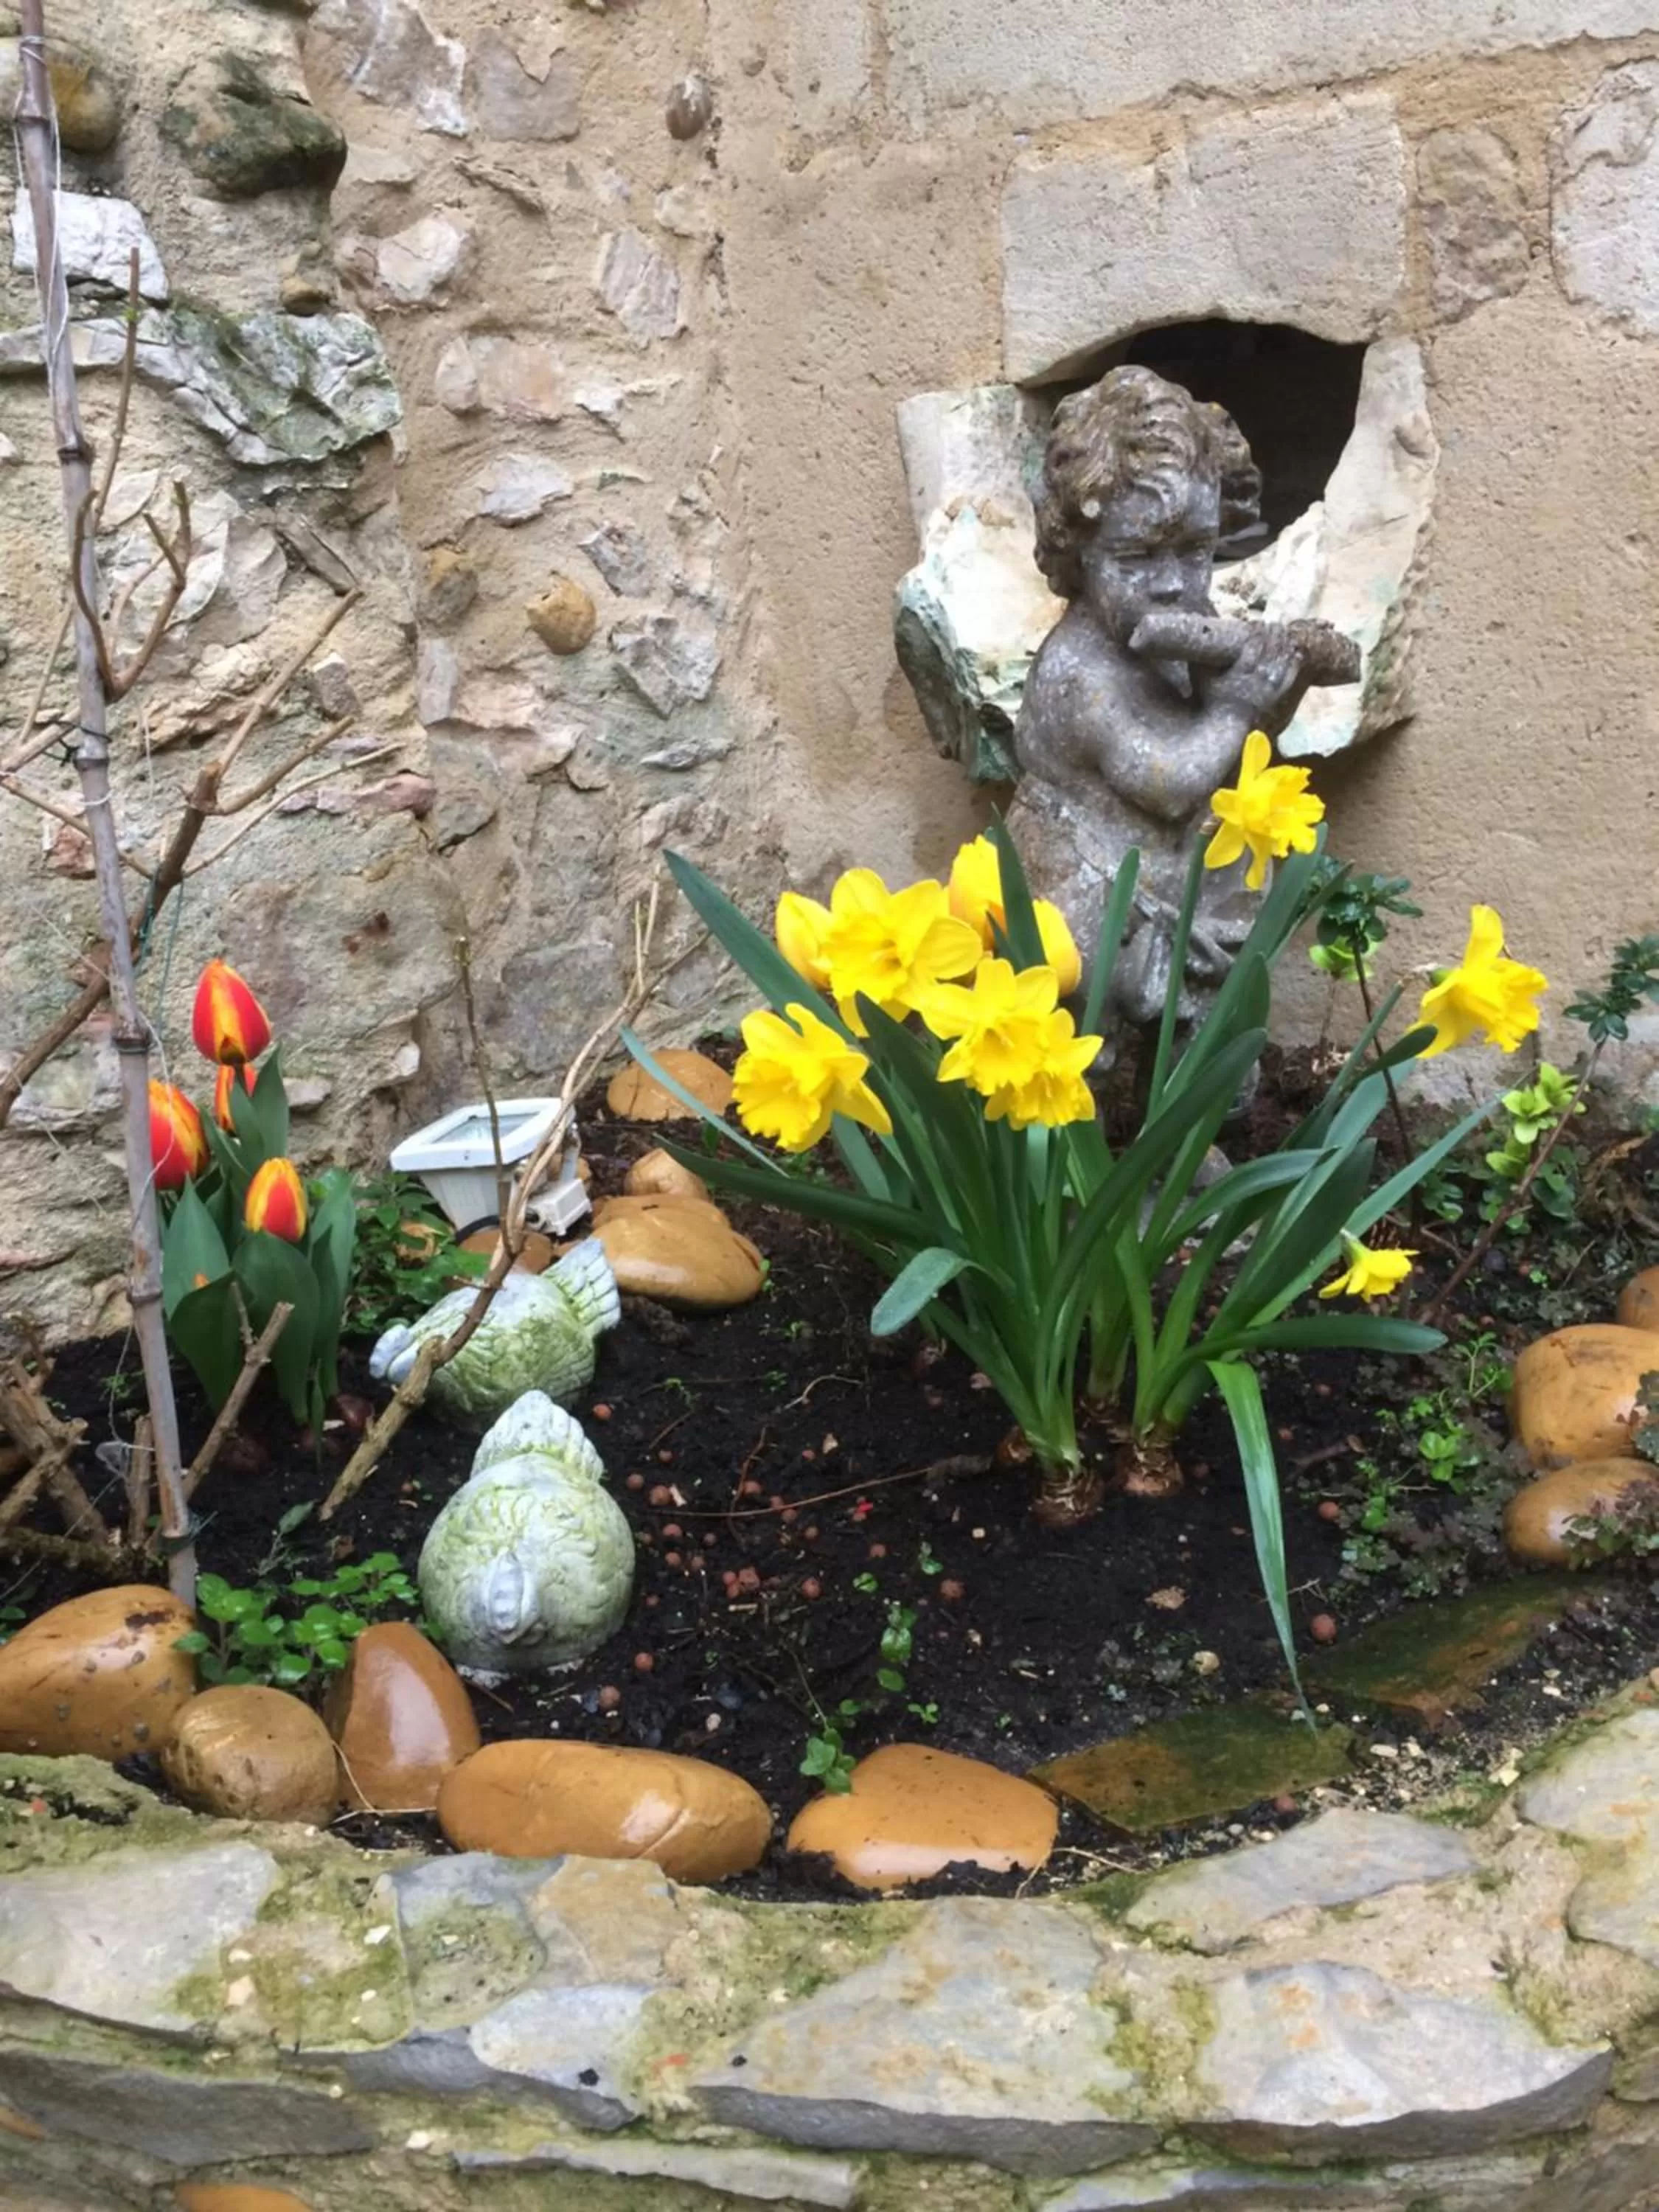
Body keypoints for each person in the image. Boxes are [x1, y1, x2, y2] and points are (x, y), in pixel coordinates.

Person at [1008, 366, 1312, 1029]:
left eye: (1197, 550)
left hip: (1173, 893)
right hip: (1093, 916)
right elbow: (1170, 783)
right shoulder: (1078, 672)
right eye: (1138, 558)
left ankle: (1194, 1119)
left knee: (1210, 1038)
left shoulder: (1169, 630)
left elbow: (1237, 745)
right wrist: (1238, 707)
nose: (1175, 585)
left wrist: (1260, 684)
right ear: (1077, 549)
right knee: (1095, 1045)